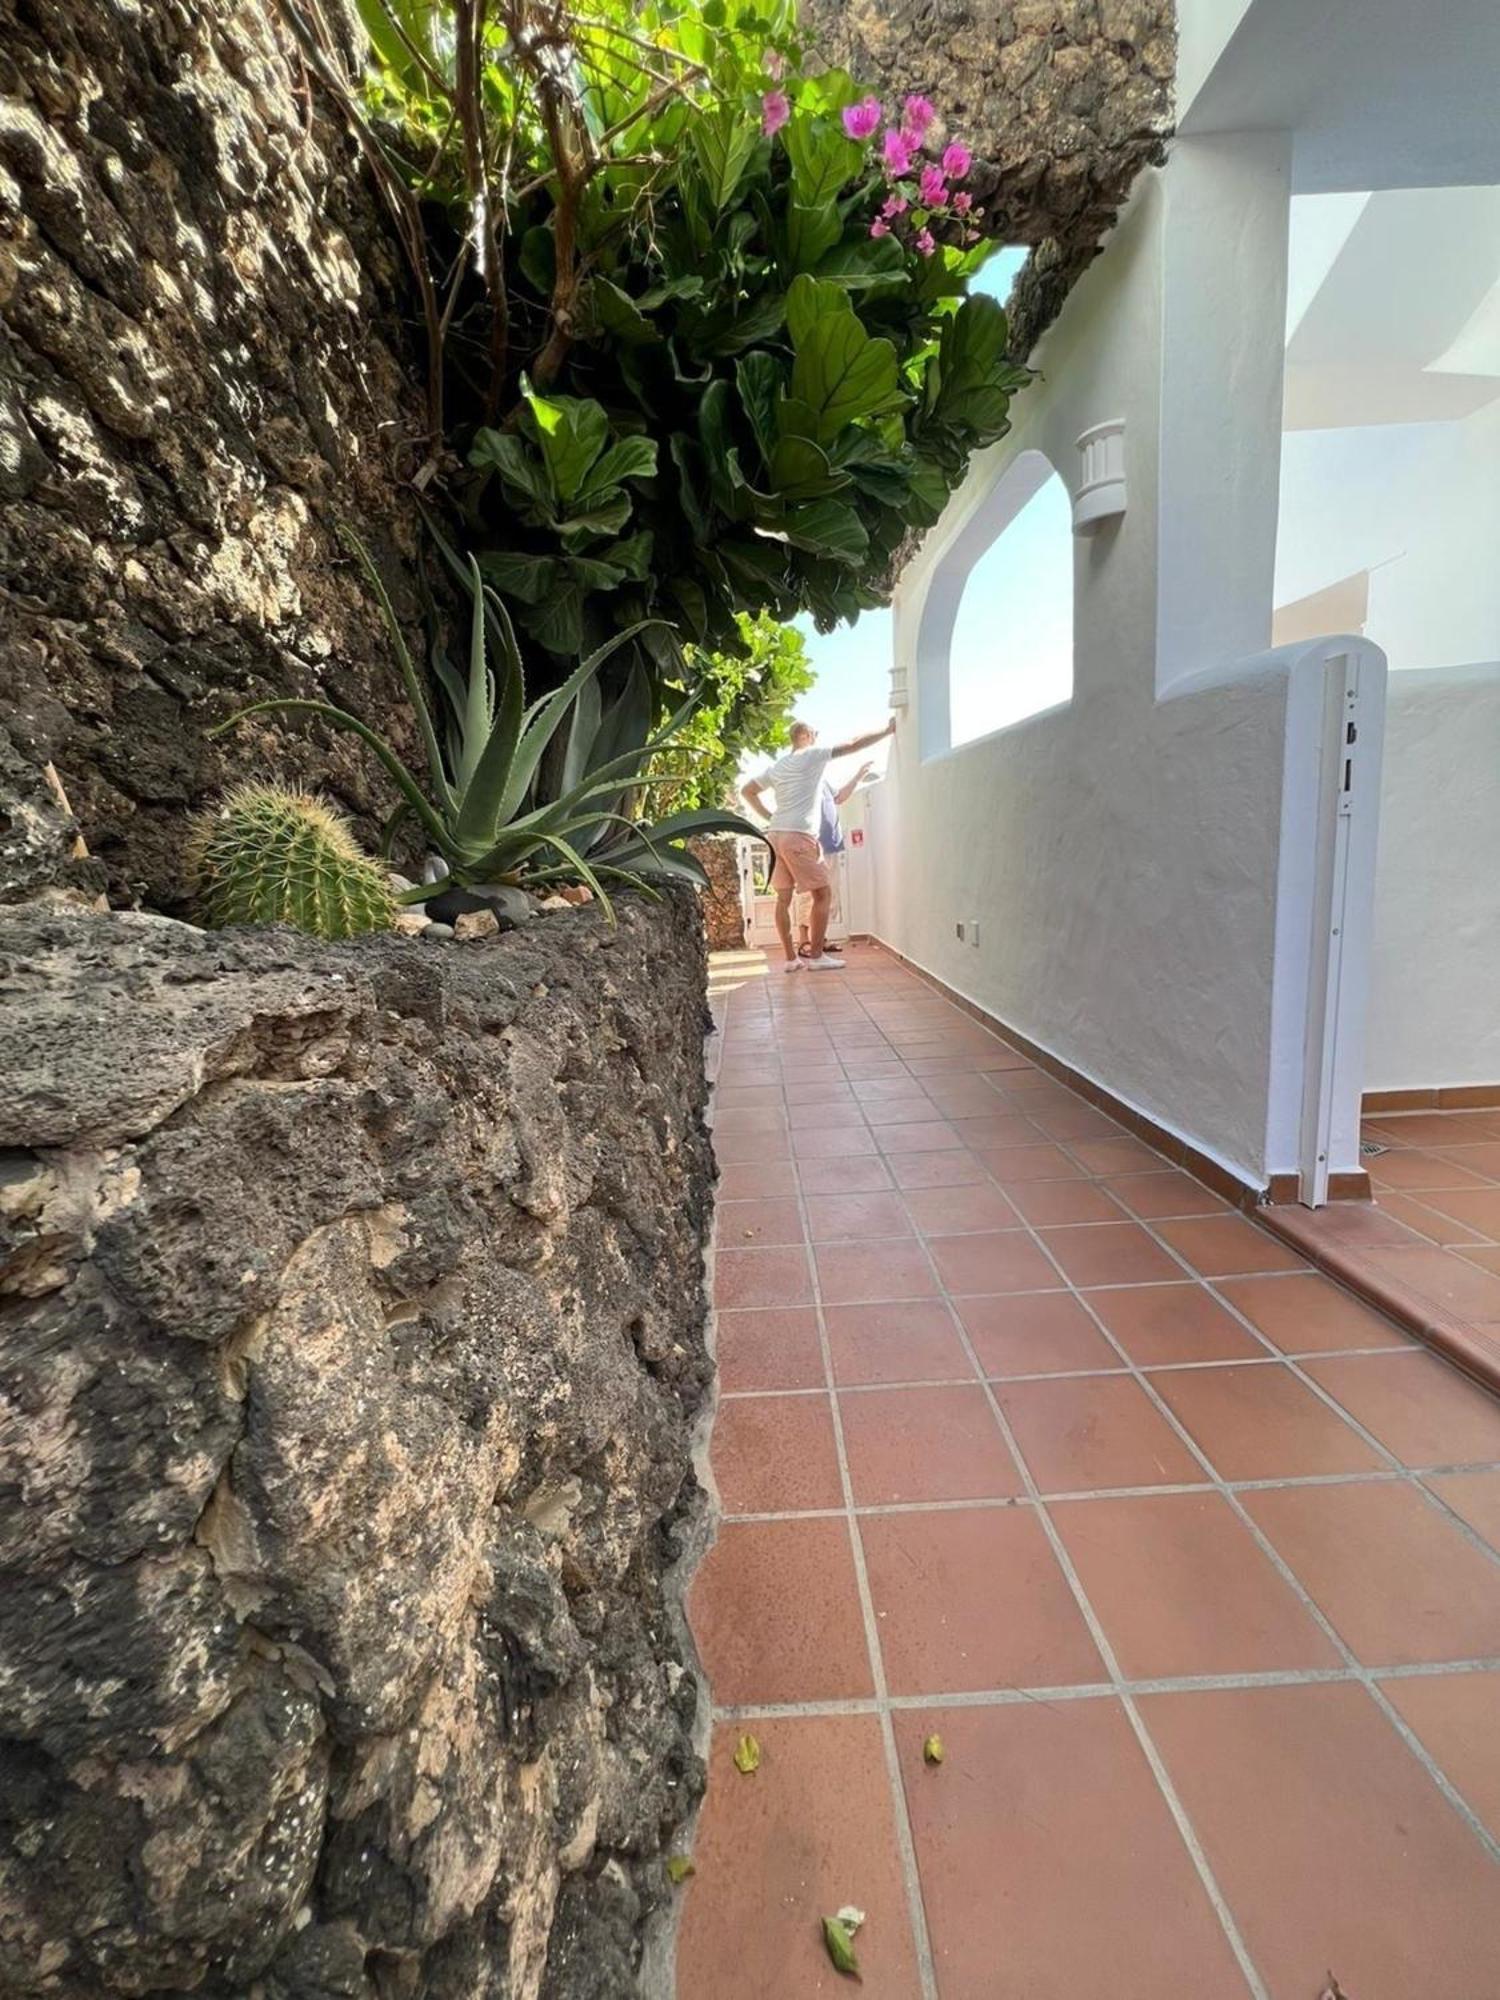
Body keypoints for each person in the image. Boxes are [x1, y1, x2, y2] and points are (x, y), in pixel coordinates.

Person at [742, 718, 895, 972]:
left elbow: (747, 791)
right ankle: (816, 956)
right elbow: (853, 744)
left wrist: (770, 817)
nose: (817, 737)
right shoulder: (812, 755)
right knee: (822, 894)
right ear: (807, 735)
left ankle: (791, 960)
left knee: (783, 899)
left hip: (775, 835)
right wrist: (887, 730)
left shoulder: (778, 767)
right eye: (815, 733)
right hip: (798, 835)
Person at [795, 763, 872, 956]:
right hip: (813, 847)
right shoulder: (801, 783)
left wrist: (858, 777)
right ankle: (805, 942)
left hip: (830, 846)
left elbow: (840, 797)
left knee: (829, 896)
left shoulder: (824, 783)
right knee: (810, 895)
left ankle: (820, 939)